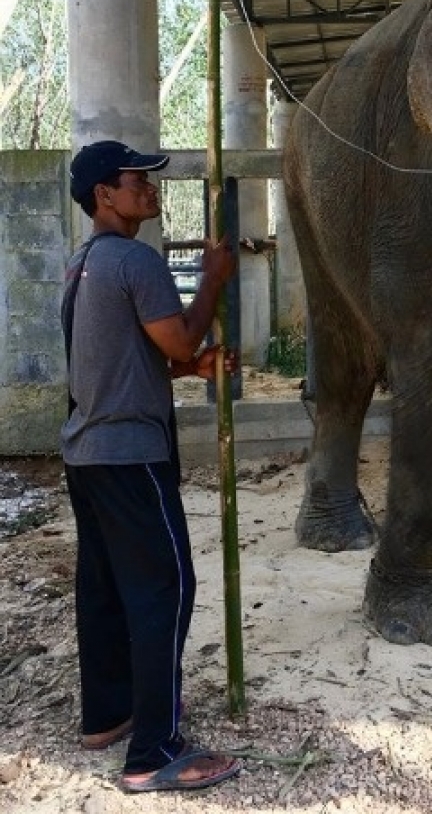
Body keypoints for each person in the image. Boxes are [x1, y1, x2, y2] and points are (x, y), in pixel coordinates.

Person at [60, 139, 241, 794]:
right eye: (139, 180)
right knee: (166, 586)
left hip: (87, 454)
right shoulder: (136, 259)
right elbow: (181, 334)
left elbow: (124, 362)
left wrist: (186, 369)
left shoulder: (81, 264)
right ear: (105, 194)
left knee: (106, 590)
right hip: (131, 454)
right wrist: (213, 275)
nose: (150, 188)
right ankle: (153, 751)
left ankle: (108, 714)